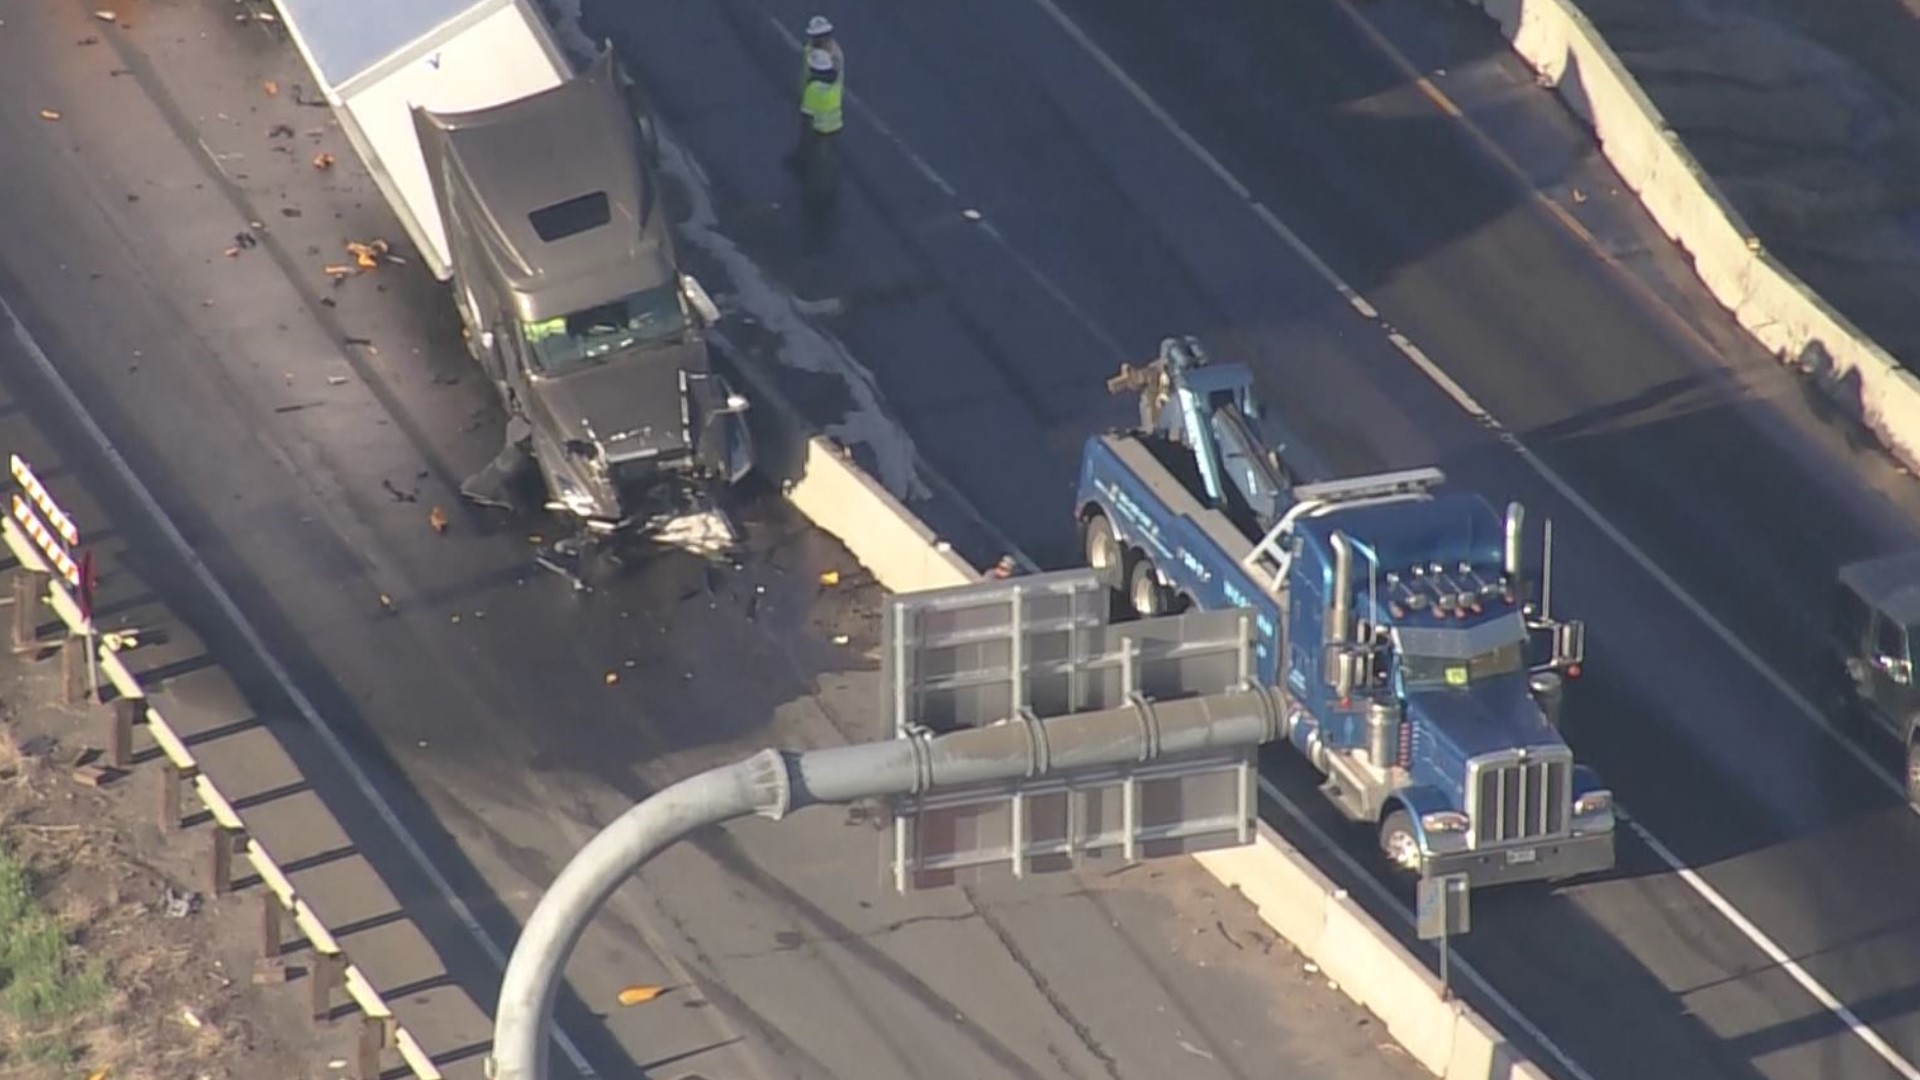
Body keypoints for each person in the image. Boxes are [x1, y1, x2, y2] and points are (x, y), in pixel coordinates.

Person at [802, 15, 844, 89]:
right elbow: (806, 72)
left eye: (824, 35)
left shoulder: (836, 51)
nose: (821, 39)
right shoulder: (809, 49)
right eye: (818, 36)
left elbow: (838, 75)